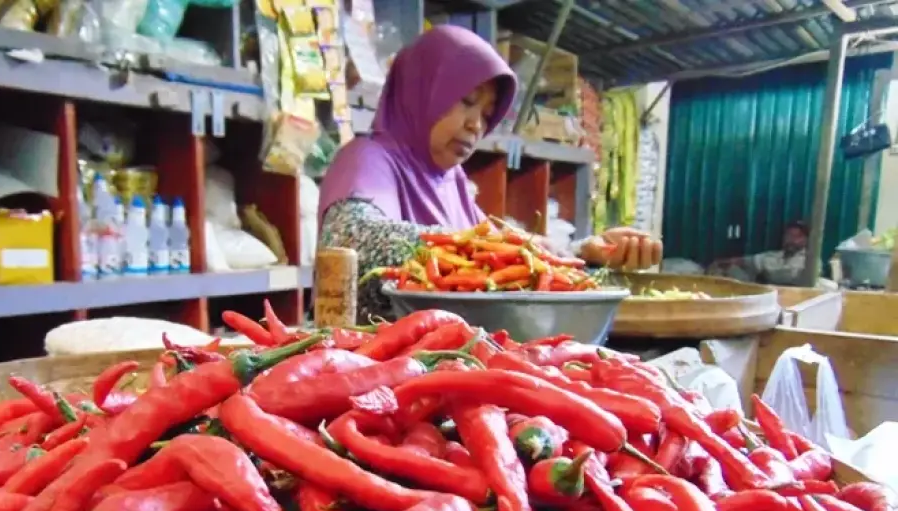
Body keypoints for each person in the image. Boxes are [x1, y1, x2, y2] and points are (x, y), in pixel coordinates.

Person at [318, 25, 662, 321]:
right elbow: (354, 242)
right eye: (467, 101)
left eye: (486, 114)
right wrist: (489, 248)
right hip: (378, 372)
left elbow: (496, 255)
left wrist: (583, 255)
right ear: (420, 90)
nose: (475, 125)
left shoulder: (450, 182)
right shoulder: (367, 159)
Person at [706, 220, 809, 286]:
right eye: (789, 235)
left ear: (806, 240)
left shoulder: (810, 261)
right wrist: (720, 264)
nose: (791, 240)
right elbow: (745, 261)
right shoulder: (772, 256)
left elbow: (787, 276)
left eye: (797, 236)